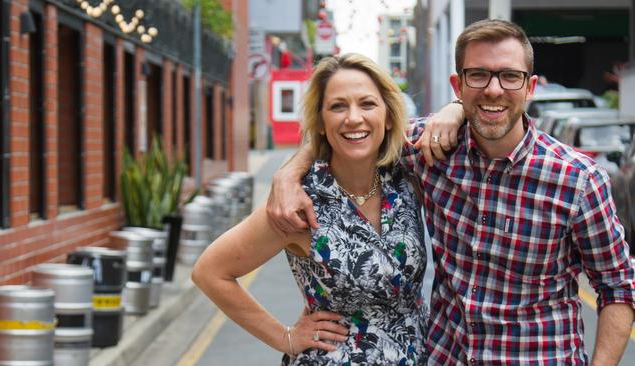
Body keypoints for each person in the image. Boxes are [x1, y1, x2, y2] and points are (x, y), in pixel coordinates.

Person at [267, 19, 635, 365]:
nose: (494, 89)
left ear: (530, 87)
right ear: (458, 86)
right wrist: (290, 173)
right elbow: (355, 130)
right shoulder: (429, 148)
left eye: (510, 76)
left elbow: (617, 287)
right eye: (478, 75)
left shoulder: (579, 180)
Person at [192, 53, 463, 365]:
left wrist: (456, 107)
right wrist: (285, 337)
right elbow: (210, 272)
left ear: (388, 115)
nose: (353, 118)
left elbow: (467, 117)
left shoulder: (406, 176)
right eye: (337, 106)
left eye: (367, 104)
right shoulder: (299, 202)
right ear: (320, 122)